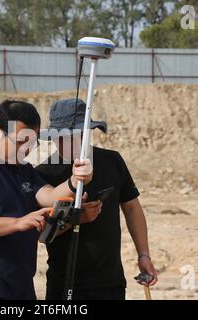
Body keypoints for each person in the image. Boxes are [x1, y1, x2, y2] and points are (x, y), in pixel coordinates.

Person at [0, 100, 93, 300]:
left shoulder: (24, 170)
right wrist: (18, 222)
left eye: (32, 144)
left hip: (21, 285)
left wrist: (75, 180)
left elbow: (50, 196)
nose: (26, 150)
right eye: (20, 142)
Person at [35, 98, 158, 300]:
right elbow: (42, 234)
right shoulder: (44, 174)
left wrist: (143, 254)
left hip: (110, 282)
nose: (77, 140)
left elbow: (132, 208)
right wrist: (76, 218)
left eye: (82, 134)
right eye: (67, 136)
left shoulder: (112, 161)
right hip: (65, 283)